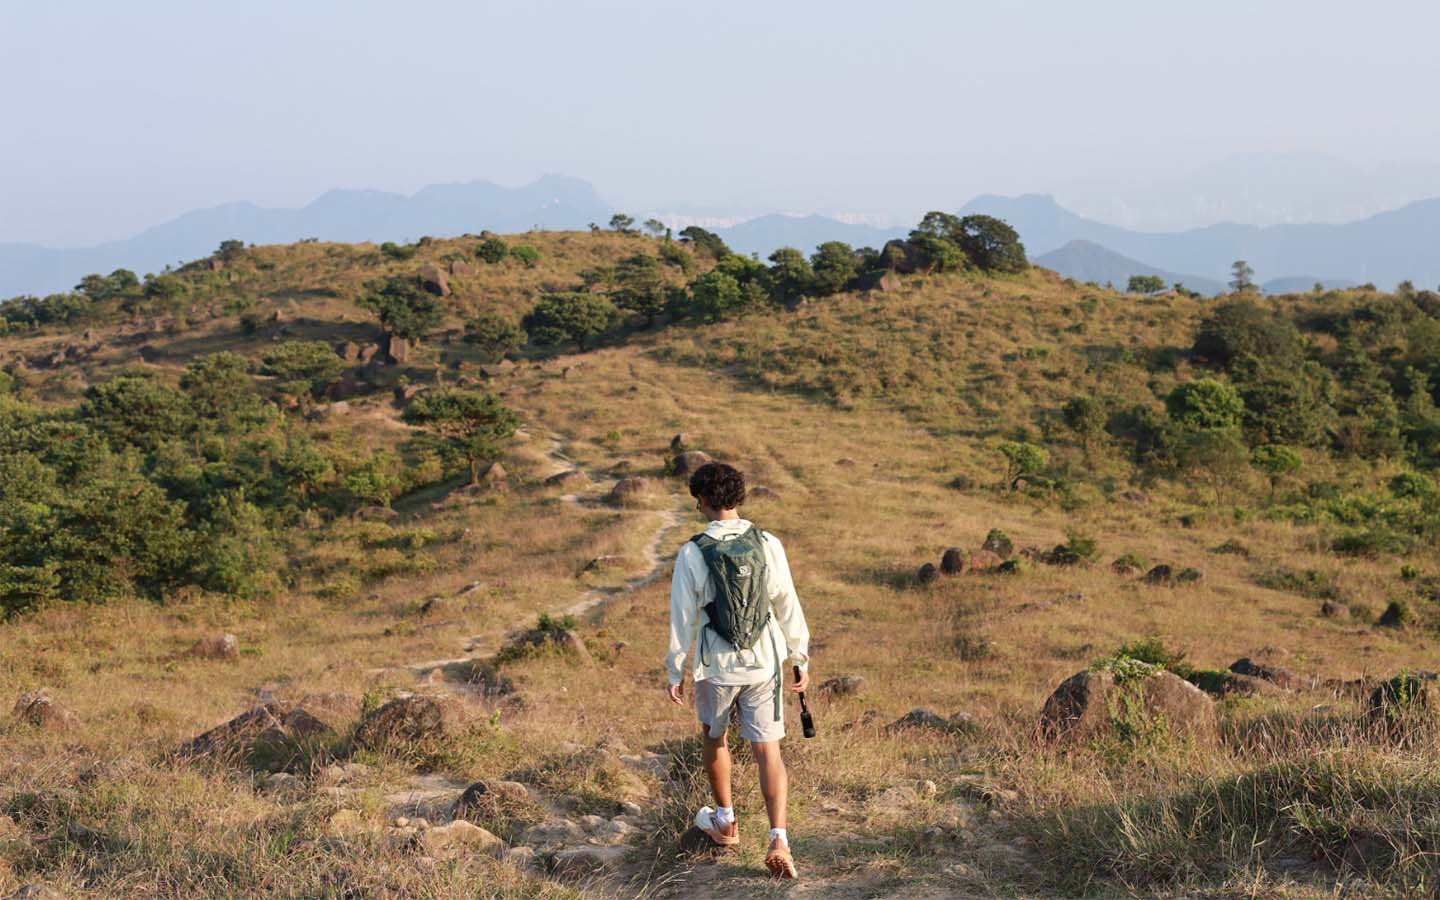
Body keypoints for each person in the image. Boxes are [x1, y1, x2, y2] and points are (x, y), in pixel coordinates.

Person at [665, 461, 810, 879]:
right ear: (738, 496)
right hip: (764, 662)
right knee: (768, 750)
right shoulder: (767, 543)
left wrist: (676, 670)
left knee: (715, 737)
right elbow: (787, 604)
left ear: (703, 500)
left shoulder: (693, 551)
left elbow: (683, 617)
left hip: (716, 666)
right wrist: (799, 655)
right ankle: (779, 837)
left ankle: (725, 821)